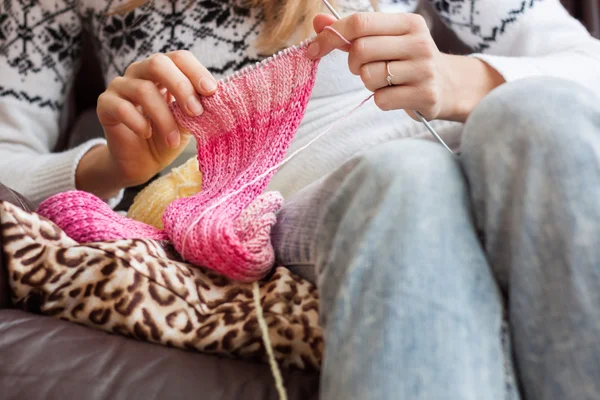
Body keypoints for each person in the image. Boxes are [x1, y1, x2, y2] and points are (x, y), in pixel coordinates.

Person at [1, 0, 599, 398]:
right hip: (291, 198)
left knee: (540, 112)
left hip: (481, 150)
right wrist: (112, 165)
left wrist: (460, 79)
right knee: (408, 179)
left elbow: (588, 66)